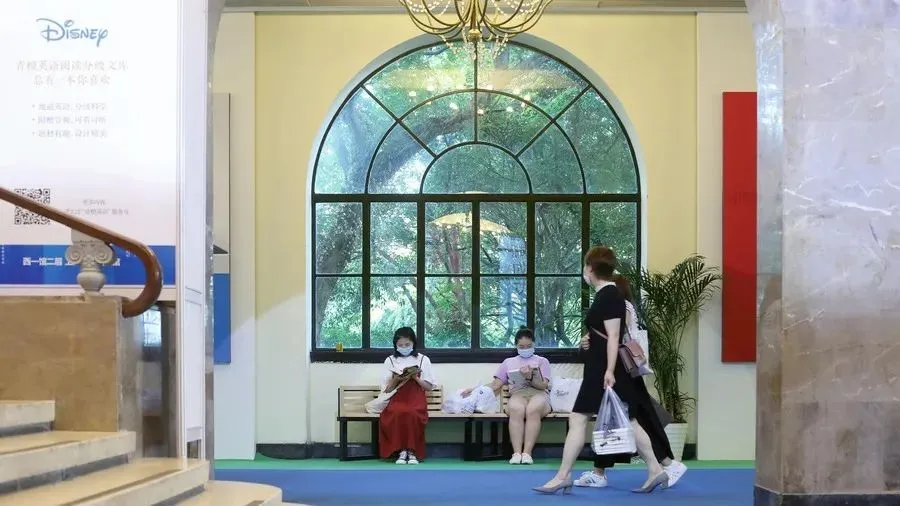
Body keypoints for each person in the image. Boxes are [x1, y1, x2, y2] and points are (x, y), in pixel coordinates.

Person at [534, 246, 670, 495]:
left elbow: (614, 336)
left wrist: (608, 371)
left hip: (605, 371)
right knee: (629, 420)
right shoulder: (607, 295)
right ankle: (655, 469)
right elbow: (605, 334)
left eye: (585, 266)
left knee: (578, 418)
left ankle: (563, 476)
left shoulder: (609, 296)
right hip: (604, 368)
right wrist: (590, 342)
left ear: (590, 268)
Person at [573, 273, 688, 489]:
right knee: (619, 420)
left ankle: (666, 463)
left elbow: (614, 336)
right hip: (623, 370)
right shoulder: (620, 305)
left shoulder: (620, 306)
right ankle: (602, 471)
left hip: (621, 370)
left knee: (633, 420)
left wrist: (595, 341)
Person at [462, 327, 551, 465]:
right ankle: (516, 453)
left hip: (538, 393)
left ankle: (527, 453)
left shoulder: (542, 361)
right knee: (516, 409)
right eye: (521, 347)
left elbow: (544, 385)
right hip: (518, 394)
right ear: (516, 346)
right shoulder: (508, 362)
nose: (525, 349)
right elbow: (495, 384)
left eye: (528, 346)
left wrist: (530, 377)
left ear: (534, 344)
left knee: (533, 409)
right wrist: (473, 389)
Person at [379, 327, 436, 465]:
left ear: (413, 343)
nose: (404, 347)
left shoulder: (423, 359)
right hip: (397, 398)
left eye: (407, 344)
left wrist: (415, 377)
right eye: (400, 345)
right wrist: (396, 379)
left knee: (412, 413)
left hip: (416, 398)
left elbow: (429, 387)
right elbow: (386, 389)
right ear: (395, 345)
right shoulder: (390, 360)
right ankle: (402, 450)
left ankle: (412, 451)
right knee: (397, 412)